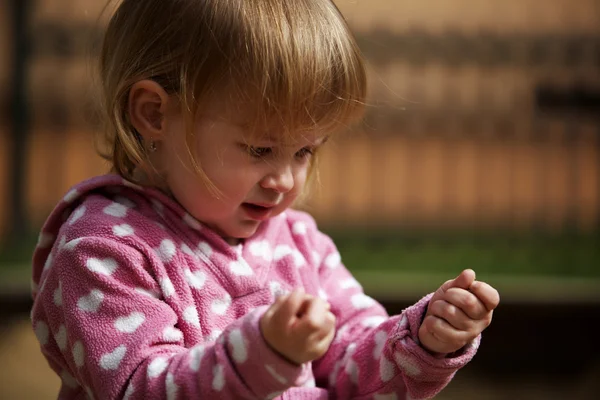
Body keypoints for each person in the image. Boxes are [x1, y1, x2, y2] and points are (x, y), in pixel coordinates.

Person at [30, 0, 500, 399]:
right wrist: (260, 356)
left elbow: (350, 361)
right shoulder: (103, 250)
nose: (285, 179)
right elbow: (142, 388)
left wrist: (423, 340)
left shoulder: (297, 240)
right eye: (260, 149)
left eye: (304, 151)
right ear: (155, 114)